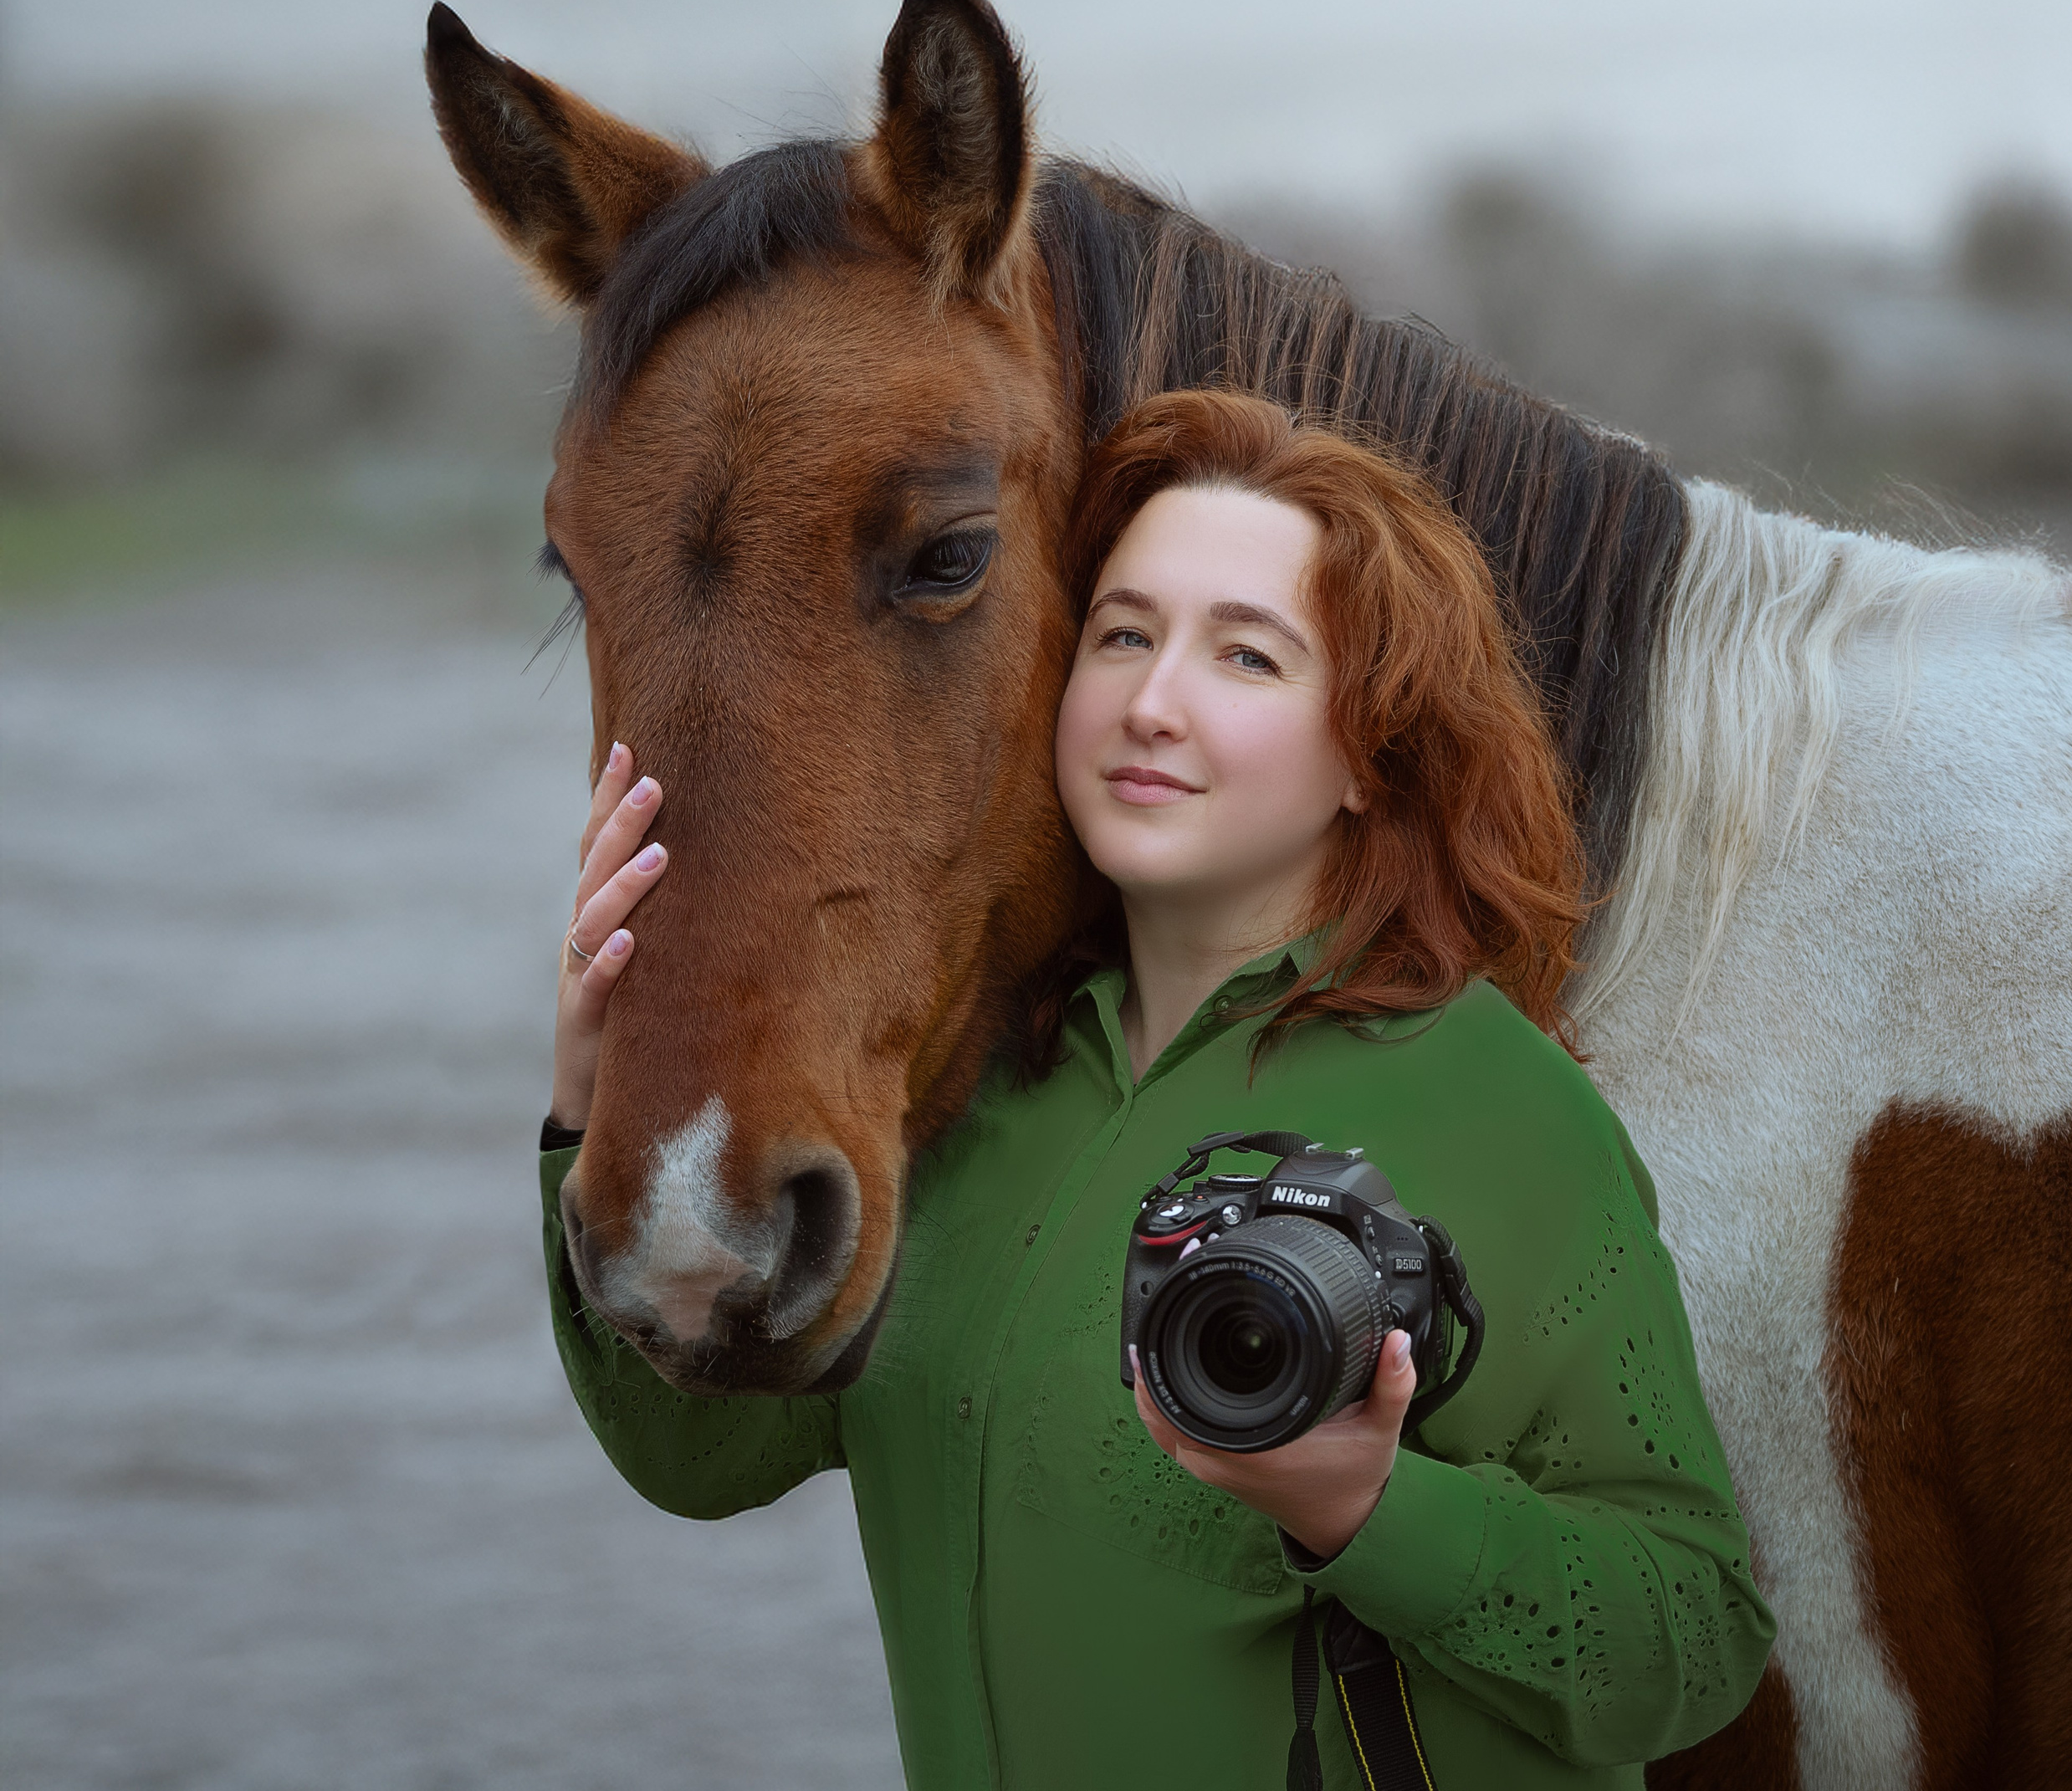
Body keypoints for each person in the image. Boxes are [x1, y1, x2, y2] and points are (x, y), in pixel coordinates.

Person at [539, 389, 1774, 1788]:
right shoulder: (961, 1098)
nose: (1151, 700)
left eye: (1246, 656)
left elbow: (1688, 1641)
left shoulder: (1500, 1106)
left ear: (1369, 749)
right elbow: (699, 1455)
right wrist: (594, 1109)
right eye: (1122, 633)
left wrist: (1370, 1507)